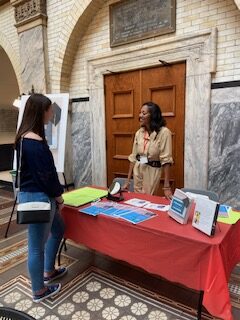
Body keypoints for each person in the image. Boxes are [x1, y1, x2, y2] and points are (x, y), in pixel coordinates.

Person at [15, 93, 67, 303]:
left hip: (35, 195)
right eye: (49, 109)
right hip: (41, 198)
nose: (51, 112)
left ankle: (48, 271)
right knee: (36, 246)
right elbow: (46, 176)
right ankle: (39, 291)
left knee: (58, 229)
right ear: (40, 112)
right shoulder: (34, 142)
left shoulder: (24, 137)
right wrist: (59, 197)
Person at [123, 101, 173, 198]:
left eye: (144, 113)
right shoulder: (139, 133)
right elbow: (133, 157)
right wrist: (127, 181)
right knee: (137, 199)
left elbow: (166, 160)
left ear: (153, 116)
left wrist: (166, 187)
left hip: (153, 170)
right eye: (140, 112)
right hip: (138, 167)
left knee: (147, 199)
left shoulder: (164, 133)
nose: (140, 115)